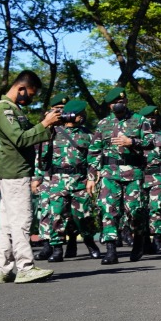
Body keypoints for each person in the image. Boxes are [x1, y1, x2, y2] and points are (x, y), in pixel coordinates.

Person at [0, 70, 62, 284]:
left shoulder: (14, 109)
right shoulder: (4, 109)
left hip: (13, 171)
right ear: (20, 88)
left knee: (7, 224)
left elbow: (31, 134)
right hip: (15, 172)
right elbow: (19, 139)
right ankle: (25, 267)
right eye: (30, 93)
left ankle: (3, 270)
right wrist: (45, 124)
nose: (31, 97)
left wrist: (48, 126)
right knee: (21, 221)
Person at [88, 87, 147, 266]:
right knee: (108, 209)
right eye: (114, 103)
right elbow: (94, 150)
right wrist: (92, 176)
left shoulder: (140, 120)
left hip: (133, 172)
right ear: (109, 106)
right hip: (109, 173)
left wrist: (132, 142)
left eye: (121, 102)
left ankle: (139, 241)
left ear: (126, 102)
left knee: (135, 210)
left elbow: (152, 142)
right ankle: (111, 250)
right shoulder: (103, 124)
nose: (118, 105)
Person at [34, 100, 93, 262]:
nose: (83, 117)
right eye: (81, 115)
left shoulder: (87, 135)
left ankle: (90, 242)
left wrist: (92, 178)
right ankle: (57, 248)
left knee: (83, 215)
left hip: (79, 180)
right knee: (57, 215)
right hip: (57, 181)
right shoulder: (52, 133)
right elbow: (41, 158)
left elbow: (93, 159)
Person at [33, 92, 70, 260]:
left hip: (67, 176)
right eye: (57, 109)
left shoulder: (72, 128)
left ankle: (69, 244)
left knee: (66, 213)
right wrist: (36, 178)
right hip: (47, 176)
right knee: (46, 211)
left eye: (63, 109)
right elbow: (37, 156)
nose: (60, 112)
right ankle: (48, 245)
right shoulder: (44, 129)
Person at [136, 105, 161, 255]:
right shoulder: (134, 135)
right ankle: (144, 241)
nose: (152, 120)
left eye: (154, 117)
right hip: (139, 177)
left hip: (157, 176)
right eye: (149, 118)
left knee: (157, 208)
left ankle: (157, 240)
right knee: (140, 210)